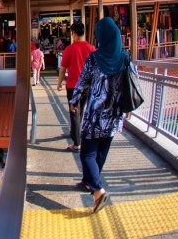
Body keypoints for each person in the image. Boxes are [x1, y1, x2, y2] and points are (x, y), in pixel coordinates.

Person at [69, 17, 129, 214]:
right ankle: (89, 181)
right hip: (115, 114)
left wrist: (74, 100)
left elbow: (83, 82)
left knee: (87, 154)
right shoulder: (125, 57)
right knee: (101, 151)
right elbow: (132, 82)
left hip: (96, 115)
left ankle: (98, 190)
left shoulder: (95, 58)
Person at [57, 21, 96, 152]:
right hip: (87, 87)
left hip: (73, 86)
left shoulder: (69, 49)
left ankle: (77, 144)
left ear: (73, 33)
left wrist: (59, 83)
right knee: (81, 111)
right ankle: (75, 133)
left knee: (74, 113)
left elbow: (62, 69)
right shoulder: (91, 49)